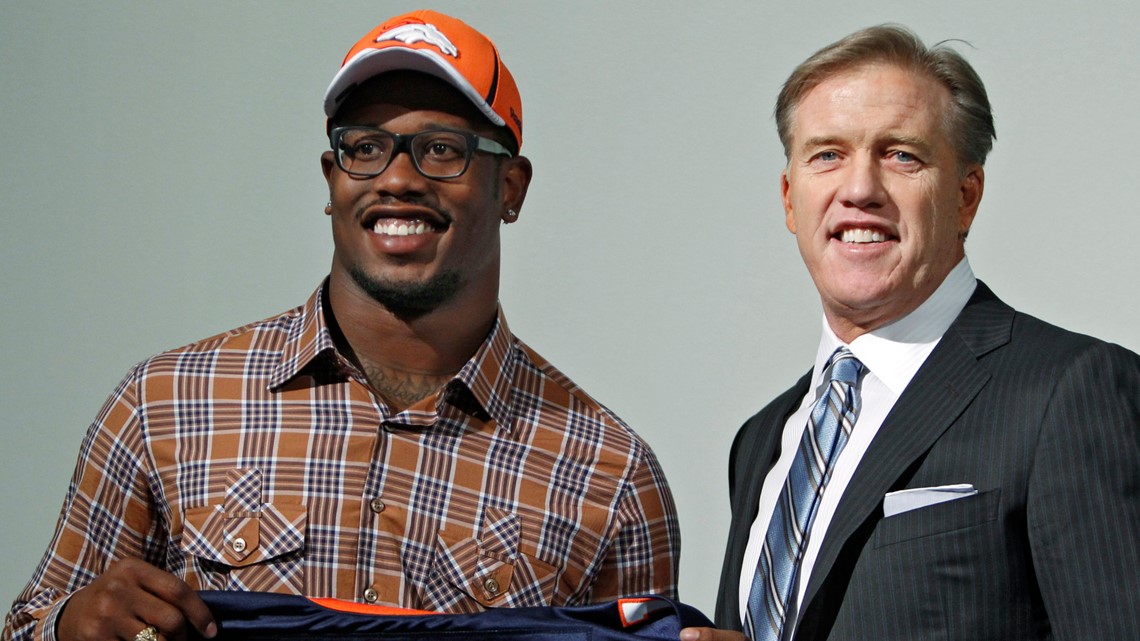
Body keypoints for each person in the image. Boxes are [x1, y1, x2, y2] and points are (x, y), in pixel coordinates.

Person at [3, 10, 680, 641]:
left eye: (442, 149)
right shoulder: (165, 406)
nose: (398, 179)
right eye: (366, 147)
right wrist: (68, 626)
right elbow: (28, 623)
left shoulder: (610, 474)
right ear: (333, 179)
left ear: (511, 187)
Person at [684, 24, 1140, 641]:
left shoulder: (1070, 390)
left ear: (966, 195)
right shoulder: (763, 440)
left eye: (902, 154)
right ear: (791, 200)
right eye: (827, 155)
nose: (860, 189)